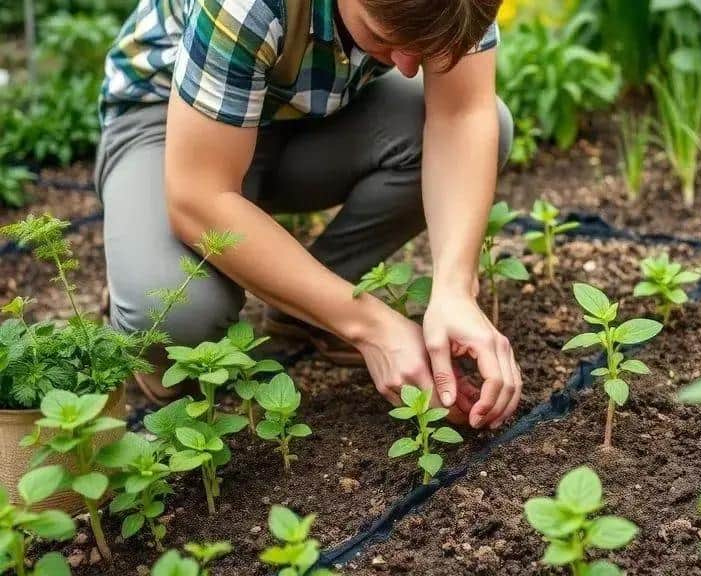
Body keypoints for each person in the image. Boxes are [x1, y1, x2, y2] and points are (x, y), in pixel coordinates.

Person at [95, 0, 523, 429]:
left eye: (426, 49)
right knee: (175, 311)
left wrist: (454, 290)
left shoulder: (453, 4)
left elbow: (462, 115)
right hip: (173, 127)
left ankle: (306, 312)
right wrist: (372, 327)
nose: (408, 68)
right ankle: (141, 273)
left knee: (491, 129)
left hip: (312, 122)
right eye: (384, 37)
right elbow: (199, 200)